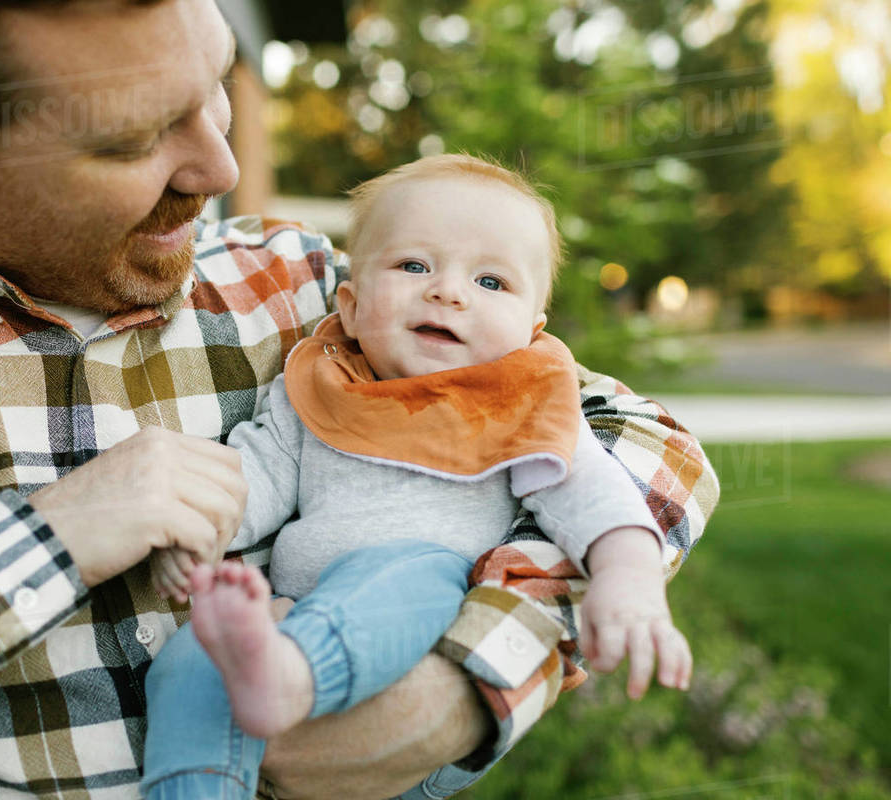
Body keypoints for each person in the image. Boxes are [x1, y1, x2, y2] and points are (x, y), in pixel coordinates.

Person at [0, 1, 720, 798]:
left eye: (216, 85)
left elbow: (638, 442)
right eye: (135, 136)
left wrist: (463, 685)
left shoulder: (301, 283)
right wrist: (42, 543)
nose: (217, 167)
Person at [140, 155, 694, 800]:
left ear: (531, 330)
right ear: (349, 307)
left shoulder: (520, 401)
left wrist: (629, 578)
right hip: (292, 620)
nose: (448, 292)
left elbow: (594, 494)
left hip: (418, 635)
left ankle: (294, 673)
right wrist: (201, 528)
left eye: (491, 282)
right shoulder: (319, 387)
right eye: (413, 266)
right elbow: (257, 474)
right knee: (189, 660)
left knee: (410, 567)